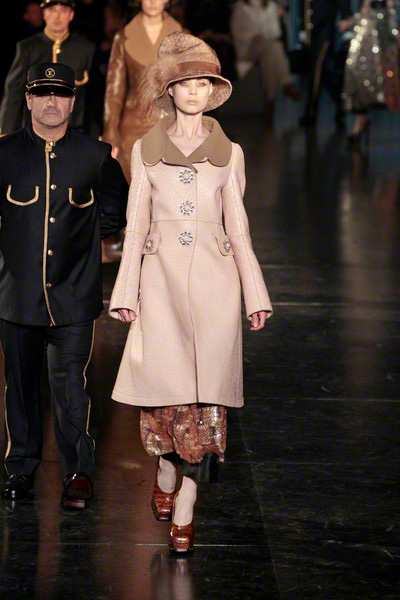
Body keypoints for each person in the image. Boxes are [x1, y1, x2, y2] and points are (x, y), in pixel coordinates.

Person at [109, 32, 273, 553]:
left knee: (208, 404)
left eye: (204, 83)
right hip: (159, 286)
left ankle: (187, 503)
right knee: (165, 398)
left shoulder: (230, 154)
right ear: (170, 91)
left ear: (212, 91)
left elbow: (239, 229)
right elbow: (135, 224)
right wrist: (125, 289)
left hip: (214, 289)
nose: (195, 92)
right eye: (186, 84)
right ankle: (165, 468)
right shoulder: (145, 151)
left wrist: (256, 295)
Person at [0, 62, 128, 510]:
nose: (51, 101)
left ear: (73, 102)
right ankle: (20, 469)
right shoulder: (5, 154)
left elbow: (114, 214)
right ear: (29, 99)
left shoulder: (97, 156)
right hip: (16, 296)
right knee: (20, 386)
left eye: (60, 94)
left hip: (74, 294)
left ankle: (78, 472)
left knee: (72, 385)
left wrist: (82, 253)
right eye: (42, 93)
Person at [102, 0, 182, 181]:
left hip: (173, 123)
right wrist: (110, 132)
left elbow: (189, 85)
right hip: (133, 124)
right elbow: (114, 90)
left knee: (170, 188)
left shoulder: (181, 37)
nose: (152, 1)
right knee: (134, 188)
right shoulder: (123, 37)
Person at [0, 0, 95, 135]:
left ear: (71, 15)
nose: (57, 16)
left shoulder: (85, 49)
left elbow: (93, 96)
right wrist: (7, 134)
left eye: (63, 11)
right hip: (34, 134)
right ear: (43, 14)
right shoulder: (28, 48)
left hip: (75, 133)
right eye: (51, 10)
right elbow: (13, 94)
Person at [341, 0, 400, 146]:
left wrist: (395, 31)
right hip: (364, 34)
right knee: (359, 74)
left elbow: (391, 10)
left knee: (381, 79)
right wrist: (351, 21)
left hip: (382, 34)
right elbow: (364, 11)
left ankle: (360, 123)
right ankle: (360, 122)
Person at [230, 0, 300, 122]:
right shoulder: (241, 6)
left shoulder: (270, 6)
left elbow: (275, 31)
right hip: (247, 47)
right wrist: (253, 36)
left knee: (270, 54)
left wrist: (263, 36)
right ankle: (286, 83)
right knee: (274, 47)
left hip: (266, 45)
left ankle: (270, 100)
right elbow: (236, 31)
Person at [299, 0, 352, 128]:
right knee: (323, 70)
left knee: (317, 67)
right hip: (311, 26)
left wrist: (346, 16)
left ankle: (311, 110)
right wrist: (303, 26)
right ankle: (340, 102)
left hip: (325, 26)